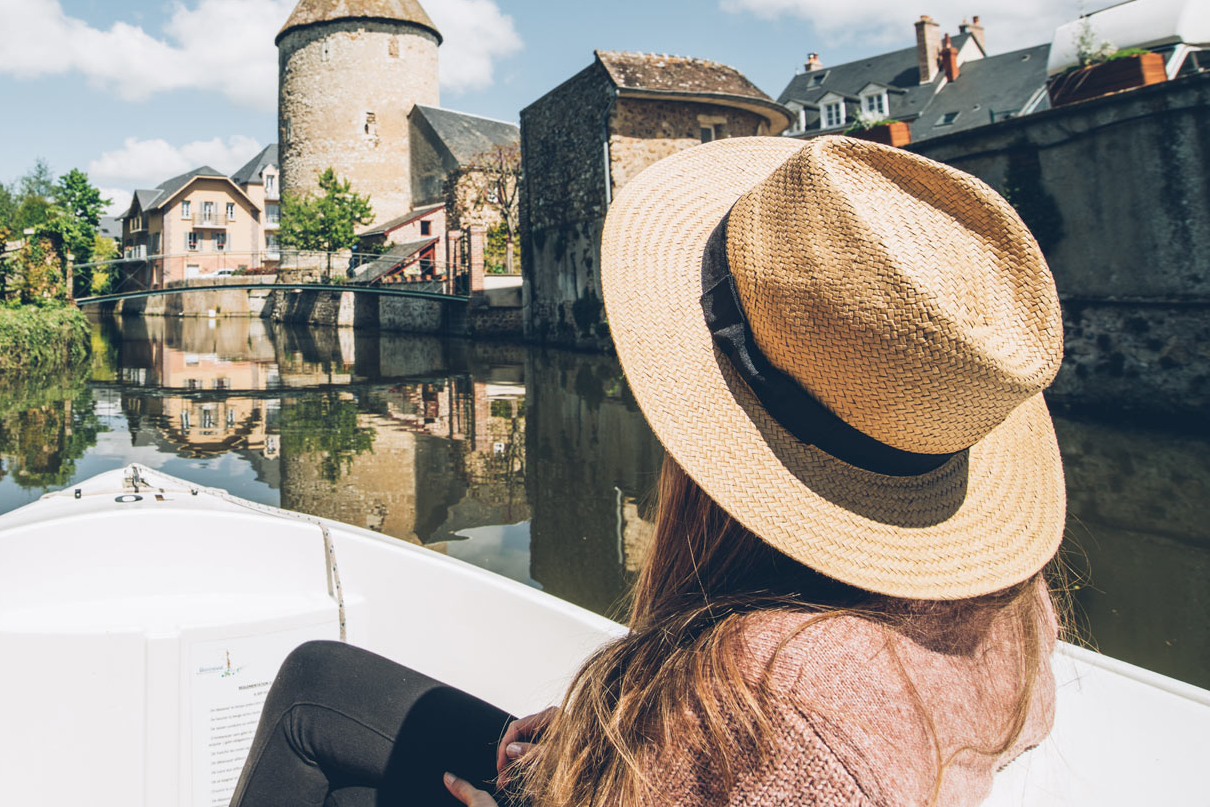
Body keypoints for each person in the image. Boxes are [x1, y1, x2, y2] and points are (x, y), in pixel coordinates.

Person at [229, 135, 1066, 807]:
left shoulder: (764, 692)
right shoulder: (1014, 606)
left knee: (313, 699)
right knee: (327, 685)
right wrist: (590, 738)